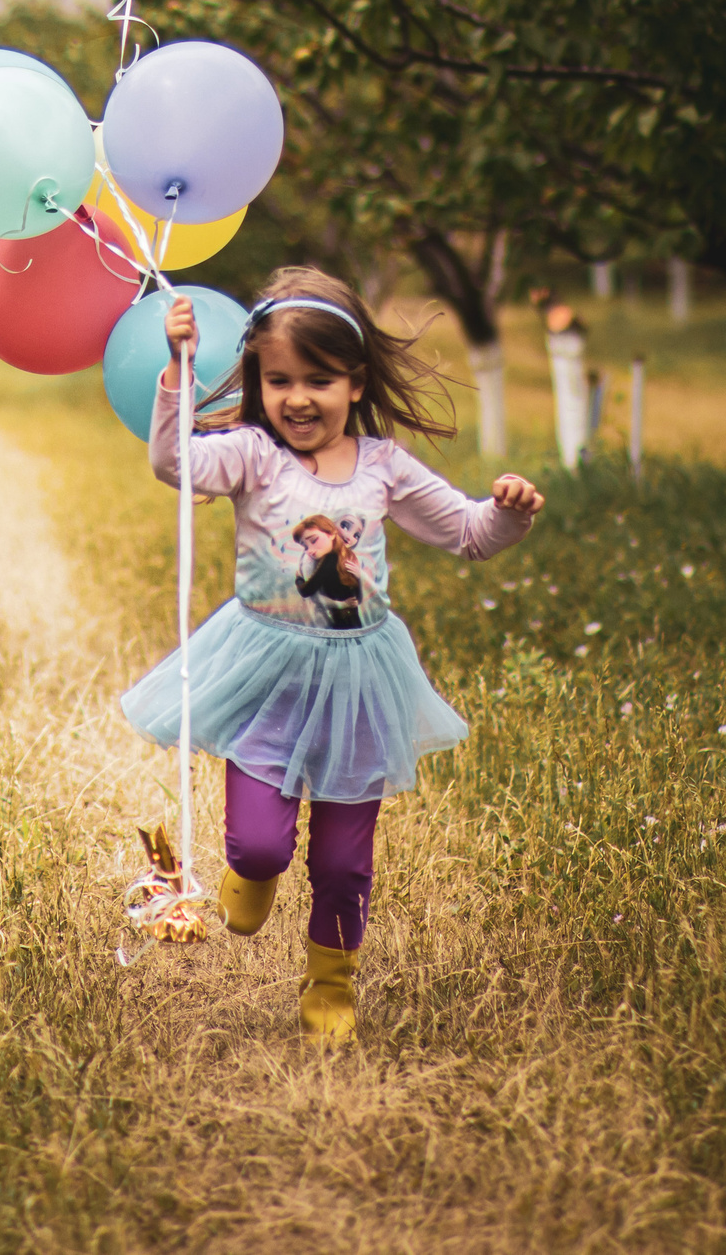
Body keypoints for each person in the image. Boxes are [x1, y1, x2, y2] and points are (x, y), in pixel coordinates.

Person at [127, 265, 541, 1041]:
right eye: (279, 378)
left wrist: (508, 514)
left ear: (355, 382)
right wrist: (178, 373)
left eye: (319, 378)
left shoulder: (382, 466)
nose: (298, 397)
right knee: (259, 840)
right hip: (268, 670)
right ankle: (250, 875)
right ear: (257, 380)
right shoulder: (250, 453)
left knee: (346, 860)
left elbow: (469, 533)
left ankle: (331, 979)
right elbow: (175, 465)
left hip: (359, 678)